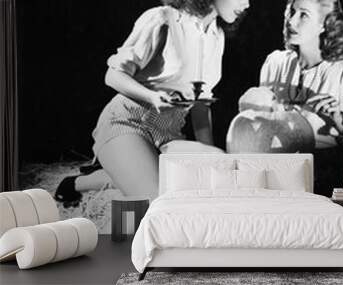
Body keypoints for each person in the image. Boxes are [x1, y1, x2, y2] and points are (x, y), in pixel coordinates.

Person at [55, 0, 250, 207]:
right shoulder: (161, 19)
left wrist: (208, 157)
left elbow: (201, 106)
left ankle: (108, 175)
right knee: (159, 201)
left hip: (168, 134)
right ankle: (85, 181)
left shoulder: (216, 36)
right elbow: (112, 75)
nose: (246, 4)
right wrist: (152, 96)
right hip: (128, 122)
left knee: (220, 165)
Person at [227, 0, 343, 160]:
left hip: (321, 171)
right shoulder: (275, 63)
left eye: (303, 15)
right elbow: (260, 127)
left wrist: (341, 125)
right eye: (291, 12)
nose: (291, 21)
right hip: (274, 165)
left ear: (325, 24)